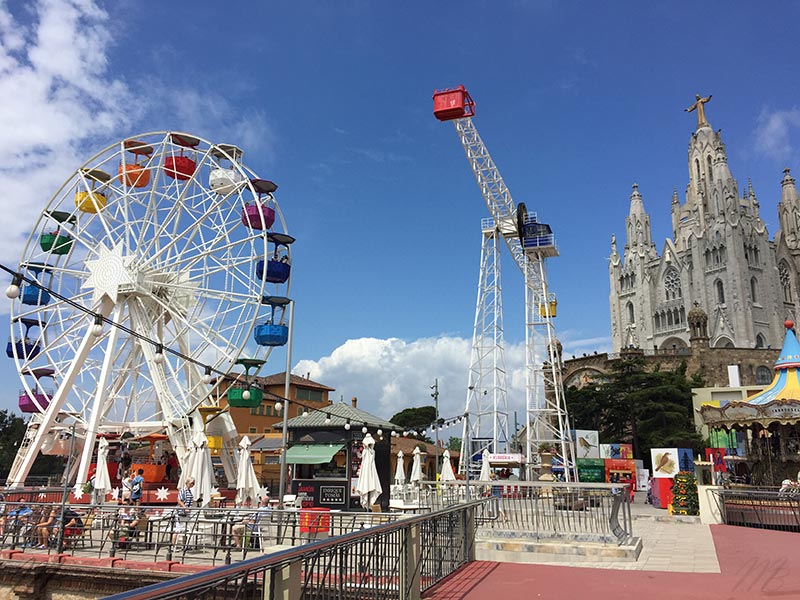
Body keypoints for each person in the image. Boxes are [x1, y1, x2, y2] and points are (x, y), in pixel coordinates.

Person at [172, 477, 195, 545]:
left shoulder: (189, 491)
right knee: (178, 529)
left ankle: (184, 545)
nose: (192, 485)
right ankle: (173, 545)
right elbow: (179, 500)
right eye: (191, 483)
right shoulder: (183, 490)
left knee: (185, 529)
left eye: (193, 483)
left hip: (186, 513)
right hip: (181, 512)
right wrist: (185, 508)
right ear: (187, 483)